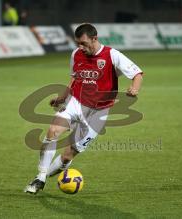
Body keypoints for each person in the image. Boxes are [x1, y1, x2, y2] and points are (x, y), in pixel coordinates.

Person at [24, 23, 143, 194]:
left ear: (94, 39)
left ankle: (44, 178)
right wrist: (62, 98)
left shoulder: (112, 54)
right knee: (52, 131)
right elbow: (74, 78)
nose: (80, 47)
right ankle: (40, 177)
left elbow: (137, 73)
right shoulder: (76, 54)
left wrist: (135, 88)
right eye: (77, 43)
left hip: (98, 113)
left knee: (67, 156)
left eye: (84, 43)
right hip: (76, 102)